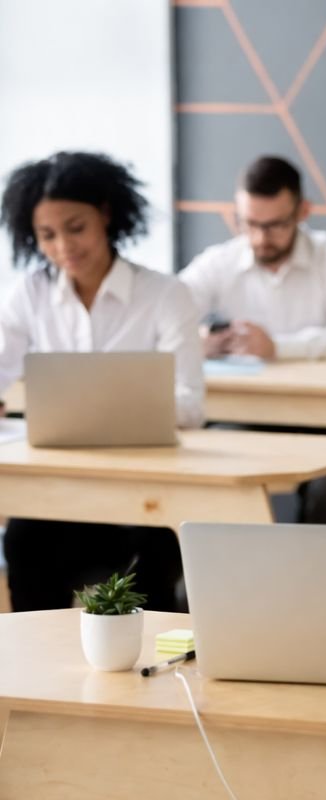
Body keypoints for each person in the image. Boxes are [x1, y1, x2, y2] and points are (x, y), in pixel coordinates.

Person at [0, 151, 205, 612]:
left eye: (76, 228)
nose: (63, 247)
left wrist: (120, 415)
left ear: (106, 215)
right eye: (47, 235)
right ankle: (38, 671)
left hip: (146, 494)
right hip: (58, 491)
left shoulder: (165, 295)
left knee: (154, 555)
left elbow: (191, 406)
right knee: (24, 540)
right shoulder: (28, 295)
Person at [179, 155, 326, 361]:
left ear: (303, 211)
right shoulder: (218, 262)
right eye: (250, 224)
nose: (260, 238)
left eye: (275, 225)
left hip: (317, 390)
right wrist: (196, 340)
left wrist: (276, 347)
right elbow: (165, 316)